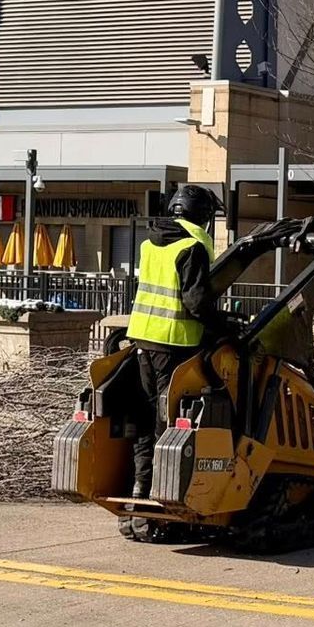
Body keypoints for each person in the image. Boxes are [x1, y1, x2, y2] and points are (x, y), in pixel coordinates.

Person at [125, 183, 221, 498]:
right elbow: (195, 301)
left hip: (143, 339)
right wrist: (220, 324)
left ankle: (141, 484)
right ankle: (164, 489)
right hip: (176, 342)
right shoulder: (191, 247)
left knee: (146, 413)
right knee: (171, 417)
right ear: (203, 216)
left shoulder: (150, 244)